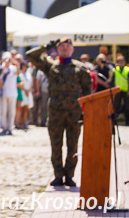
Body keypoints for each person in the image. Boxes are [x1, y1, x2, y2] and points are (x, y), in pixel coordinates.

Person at [26, 37, 92, 187]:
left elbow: (88, 91)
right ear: (57, 49)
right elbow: (31, 56)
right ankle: (58, 175)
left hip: (74, 112)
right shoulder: (51, 65)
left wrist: (86, 111)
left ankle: (69, 175)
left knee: (72, 145)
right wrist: (45, 47)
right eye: (61, 46)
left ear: (72, 49)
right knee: (56, 145)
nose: (65, 48)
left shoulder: (80, 68)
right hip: (55, 111)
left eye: (68, 46)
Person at [115, 54, 129, 125]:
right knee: (116, 105)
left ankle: (127, 121)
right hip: (117, 90)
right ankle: (115, 121)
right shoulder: (115, 70)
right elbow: (112, 81)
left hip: (126, 90)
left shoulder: (127, 69)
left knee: (127, 106)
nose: (120, 62)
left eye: (122, 60)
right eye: (119, 61)